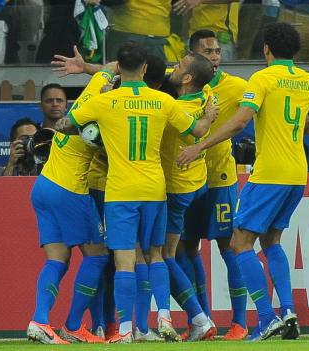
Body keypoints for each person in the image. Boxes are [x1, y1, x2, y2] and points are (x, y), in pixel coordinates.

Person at [176, 22, 309, 342]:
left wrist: (200, 145)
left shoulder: (262, 78)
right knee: (271, 242)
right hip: (298, 173)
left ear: (266, 48)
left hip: (269, 172)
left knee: (240, 243)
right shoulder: (307, 80)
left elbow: (241, 121)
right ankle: (288, 311)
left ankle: (266, 318)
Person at [63, 40, 217, 343]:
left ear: (119, 68)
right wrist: (209, 116)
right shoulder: (163, 101)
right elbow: (197, 131)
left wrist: (94, 129)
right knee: (156, 255)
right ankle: (163, 315)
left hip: (120, 189)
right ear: (146, 68)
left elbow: (65, 124)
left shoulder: (105, 101)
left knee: (124, 261)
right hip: (155, 187)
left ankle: (124, 331)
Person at [25, 64, 116, 345]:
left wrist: (90, 68)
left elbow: (110, 66)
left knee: (57, 260)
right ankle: (74, 325)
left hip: (43, 185)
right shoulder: (105, 121)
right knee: (98, 255)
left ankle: (40, 321)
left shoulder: (91, 91)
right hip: (70, 189)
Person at [180, 29, 250, 341]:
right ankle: (204, 319)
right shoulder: (178, 81)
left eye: (218, 51)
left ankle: (239, 322)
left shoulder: (237, 86)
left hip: (220, 176)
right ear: (191, 57)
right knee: (186, 248)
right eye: (208, 51)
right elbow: (138, 69)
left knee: (229, 246)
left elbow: (266, 103)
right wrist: (90, 69)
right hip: (185, 178)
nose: (215, 56)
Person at [159, 53, 218, 342]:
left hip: (176, 188)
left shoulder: (174, 107)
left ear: (187, 79)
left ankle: (199, 319)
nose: (173, 67)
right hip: (199, 183)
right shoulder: (206, 92)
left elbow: (198, 128)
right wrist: (208, 115)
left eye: (179, 66)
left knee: (163, 255)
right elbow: (205, 119)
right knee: (189, 252)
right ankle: (205, 315)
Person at [173, 0, 240, 60]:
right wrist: (184, 34)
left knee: (223, 72)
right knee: (195, 72)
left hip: (220, 37)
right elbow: (188, 6)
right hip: (194, 36)